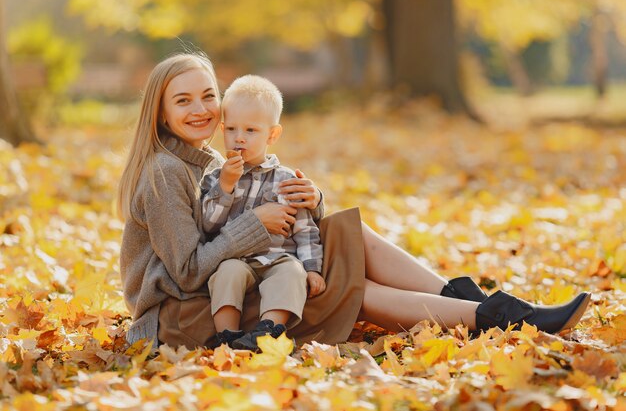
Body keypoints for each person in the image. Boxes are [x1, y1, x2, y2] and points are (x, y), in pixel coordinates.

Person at [118, 52, 591, 350]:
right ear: (159, 113)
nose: (200, 109)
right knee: (353, 290)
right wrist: (258, 222)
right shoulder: (164, 172)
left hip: (224, 286)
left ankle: (482, 304)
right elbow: (186, 271)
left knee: (344, 231)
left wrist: (311, 201)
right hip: (180, 316)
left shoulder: (208, 159)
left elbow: (247, 221)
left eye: (207, 96)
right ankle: (506, 318)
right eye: (182, 101)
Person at [200, 75, 325, 351]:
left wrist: (312, 268)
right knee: (226, 272)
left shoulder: (286, 179)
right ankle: (228, 337)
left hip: (278, 257)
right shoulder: (214, 179)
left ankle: (267, 330)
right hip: (236, 256)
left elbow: (305, 229)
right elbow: (208, 225)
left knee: (292, 272)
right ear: (222, 129)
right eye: (231, 129)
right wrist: (226, 187)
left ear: (272, 134)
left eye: (251, 131)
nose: (239, 138)